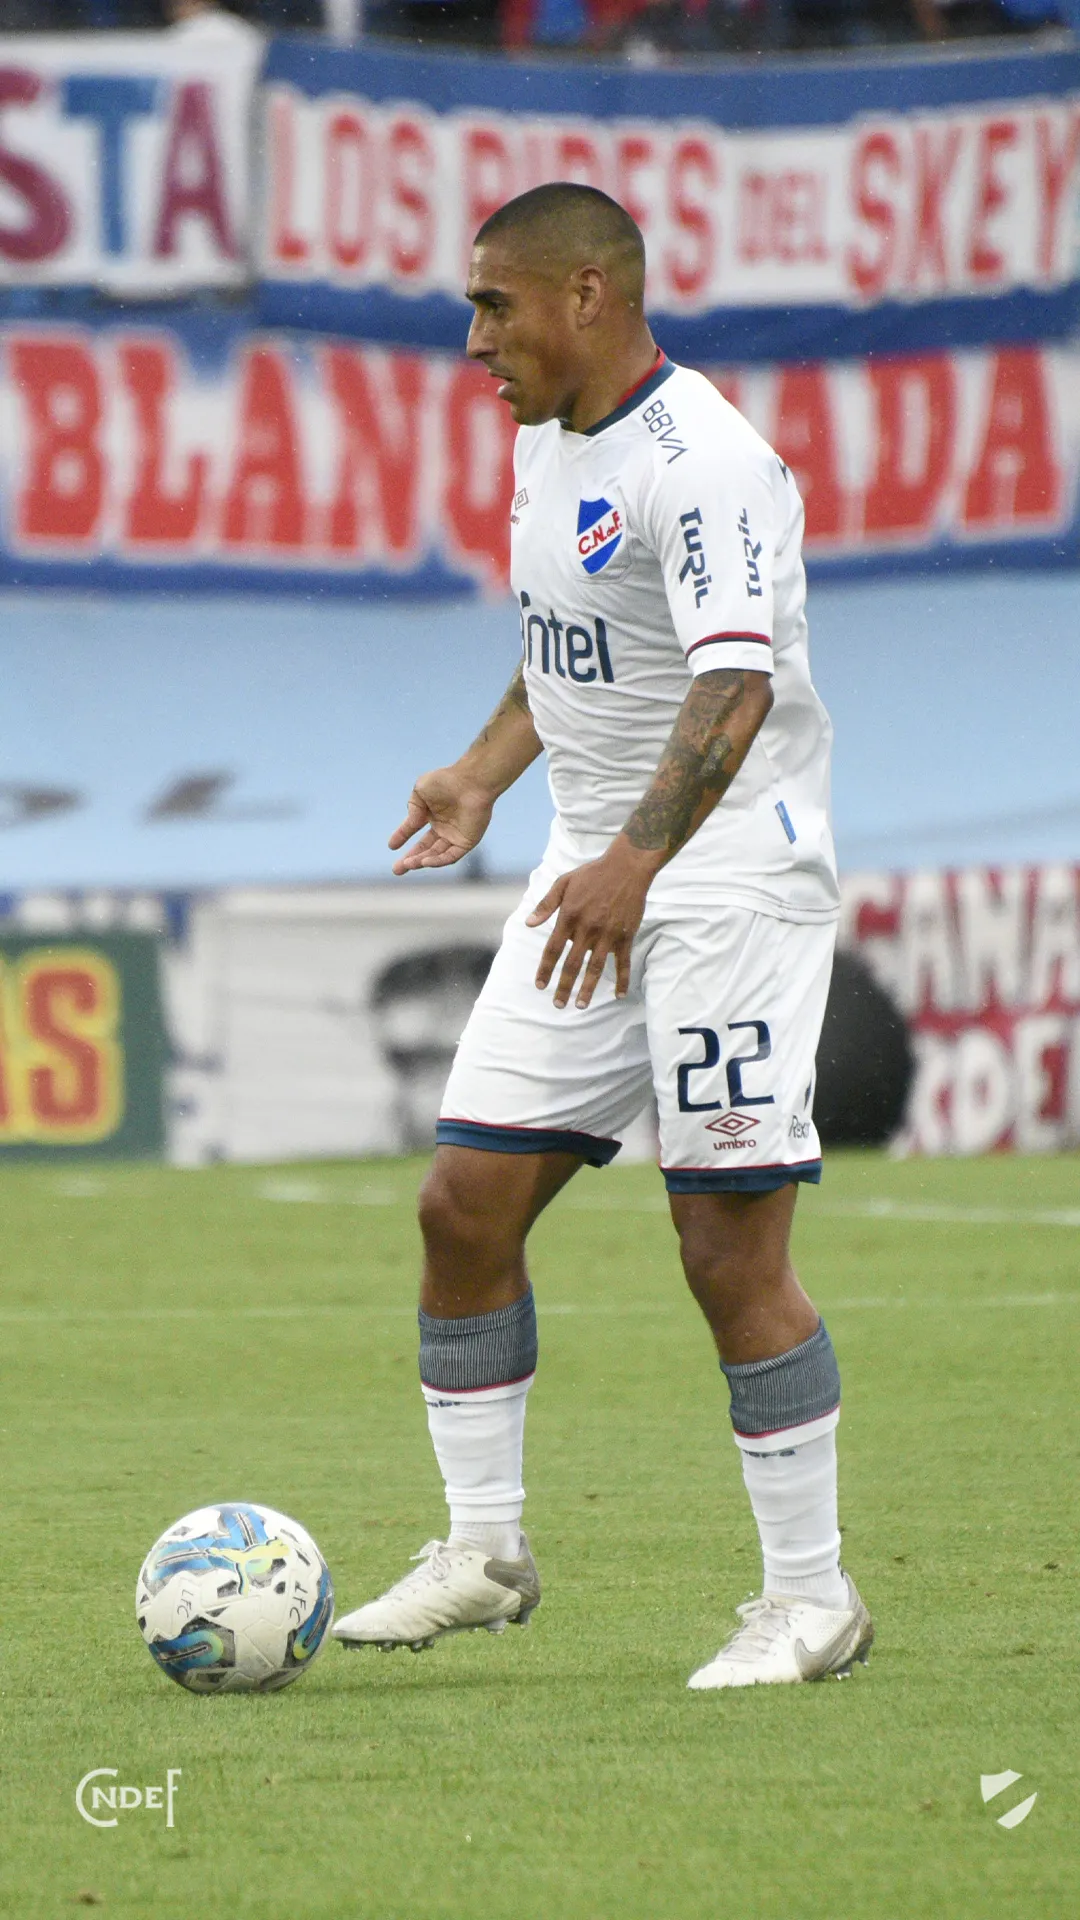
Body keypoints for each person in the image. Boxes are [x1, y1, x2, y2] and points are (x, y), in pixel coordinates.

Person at [333, 182, 873, 1689]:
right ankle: (485, 1550)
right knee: (463, 1207)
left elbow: (731, 683)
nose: (472, 341)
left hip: (724, 882)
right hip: (597, 871)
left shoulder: (705, 464)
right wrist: (482, 773)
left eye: (493, 306)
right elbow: (568, 643)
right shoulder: (548, 438)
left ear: (587, 294)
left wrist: (637, 859)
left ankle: (812, 1598)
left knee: (725, 1247)